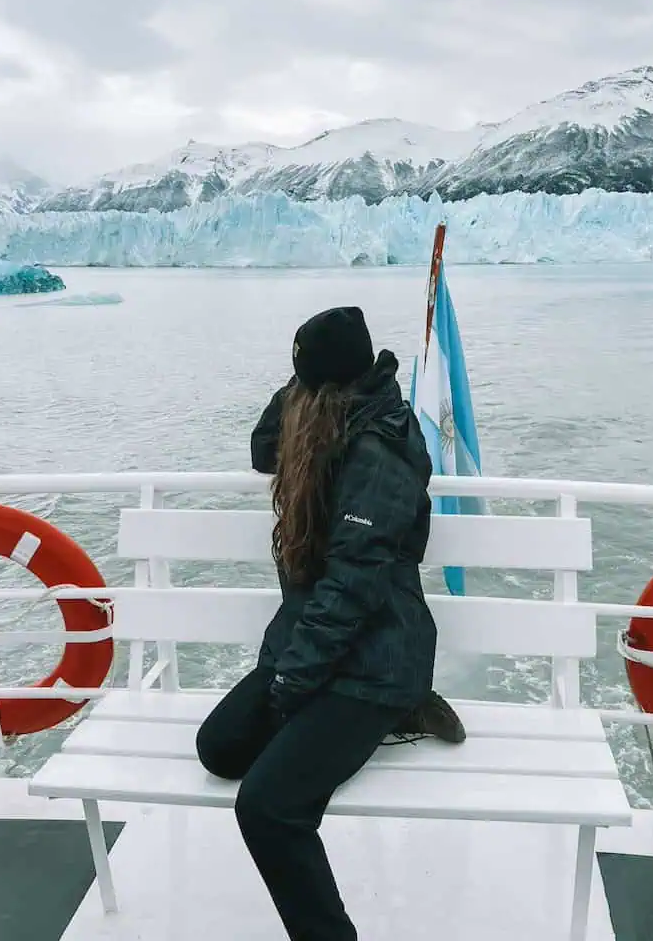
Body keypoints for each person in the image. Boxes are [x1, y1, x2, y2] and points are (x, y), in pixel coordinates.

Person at [196, 305, 464, 941]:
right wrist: (300, 384)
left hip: (375, 660)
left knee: (268, 808)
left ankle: (403, 705)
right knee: (220, 748)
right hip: (317, 640)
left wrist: (292, 685)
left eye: (305, 386)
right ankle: (396, 718)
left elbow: (353, 589)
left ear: (330, 389)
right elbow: (264, 449)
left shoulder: (380, 451)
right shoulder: (327, 421)